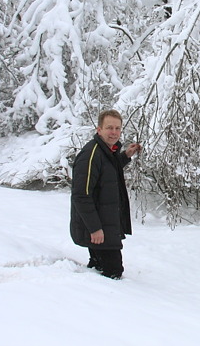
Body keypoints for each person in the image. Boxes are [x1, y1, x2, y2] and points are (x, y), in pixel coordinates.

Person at [70, 109, 142, 279]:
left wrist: (125, 156)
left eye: (117, 128)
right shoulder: (90, 154)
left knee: (99, 271)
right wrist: (95, 228)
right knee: (113, 274)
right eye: (109, 127)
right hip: (99, 229)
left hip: (105, 227)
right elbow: (81, 195)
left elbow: (107, 171)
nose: (114, 132)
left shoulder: (107, 152)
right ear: (99, 129)